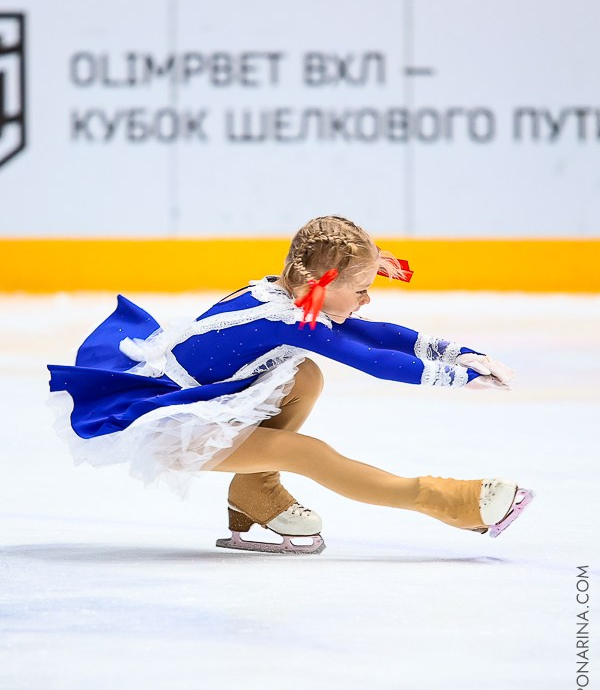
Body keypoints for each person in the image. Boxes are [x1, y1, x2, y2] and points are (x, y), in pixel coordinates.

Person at [48, 215, 534, 554]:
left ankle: (254, 490)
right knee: (309, 452)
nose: (366, 301)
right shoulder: (283, 319)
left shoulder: (288, 293)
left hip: (194, 399)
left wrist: (462, 354)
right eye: (361, 289)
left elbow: (372, 334)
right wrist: (462, 378)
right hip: (166, 422)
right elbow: (371, 360)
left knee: (303, 375)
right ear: (324, 283)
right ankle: (451, 501)